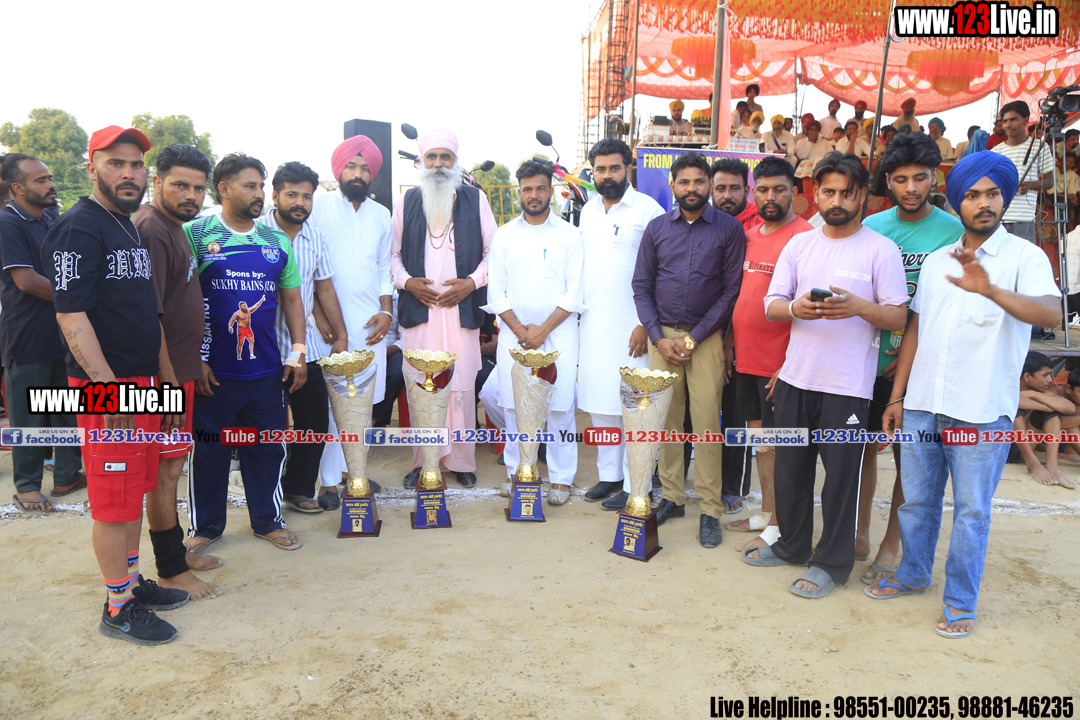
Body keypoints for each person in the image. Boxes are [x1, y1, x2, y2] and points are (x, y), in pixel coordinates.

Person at [866, 151, 1062, 639]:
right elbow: (915, 331)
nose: (984, 203)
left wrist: (991, 290)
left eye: (993, 194)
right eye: (972, 195)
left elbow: (1050, 314)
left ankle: (959, 601)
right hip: (922, 405)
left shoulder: (1025, 257)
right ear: (957, 202)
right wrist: (897, 398)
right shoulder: (938, 261)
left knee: (972, 512)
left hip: (981, 410)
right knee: (916, 501)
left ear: (1004, 199)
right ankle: (913, 573)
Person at [43, 125, 188, 644]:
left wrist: (164, 384)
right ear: (91, 168)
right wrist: (109, 390)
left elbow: (145, 314)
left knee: (133, 491)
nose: (128, 173)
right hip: (107, 387)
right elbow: (70, 315)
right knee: (112, 502)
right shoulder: (79, 227)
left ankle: (129, 583)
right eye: (115, 163)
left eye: (135, 164)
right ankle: (118, 608)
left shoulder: (124, 223)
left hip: (142, 382)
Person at [744, 152, 908, 599]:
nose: (837, 201)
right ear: (815, 193)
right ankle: (792, 546)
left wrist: (859, 307)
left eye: (847, 193)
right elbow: (772, 304)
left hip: (847, 388)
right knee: (791, 473)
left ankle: (831, 564)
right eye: (829, 192)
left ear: (862, 195)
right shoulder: (800, 245)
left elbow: (897, 317)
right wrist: (797, 308)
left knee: (840, 481)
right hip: (796, 380)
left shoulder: (880, 249)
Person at [186, 153, 308, 553]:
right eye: (249, 186)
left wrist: (298, 351)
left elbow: (292, 300)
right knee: (209, 451)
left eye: (261, 186)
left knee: (267, 448)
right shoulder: (195, 234)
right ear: (224, 189)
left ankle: (268, 521)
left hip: (266, 372)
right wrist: (194, 359)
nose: (259, 194)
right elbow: (178, 299)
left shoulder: (276, 241)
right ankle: (205, 527)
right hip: (211, 374)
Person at [857, 133, 964, 585]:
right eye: (901, 179)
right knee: (861, 450)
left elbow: (951, 305)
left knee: (909, 458)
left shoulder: (954, 232)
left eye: (920, 178)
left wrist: (906, 351)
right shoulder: (872, 227)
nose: (911, 188)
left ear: (934, 177)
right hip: (867, 361)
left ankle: (891, 544)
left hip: (920, 365)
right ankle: (859, 534)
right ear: (888, 181)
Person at [633, 151, 744, 548]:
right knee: (666, 421)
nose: (692, 188)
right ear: (673, 186)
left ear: (709, 185)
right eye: (684, 182)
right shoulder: (657, 228)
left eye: (699, 181)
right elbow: (641, 286)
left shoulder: (728, 229)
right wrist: (657, 337)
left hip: (706, 339)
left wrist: (694, 338)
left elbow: (731, 290)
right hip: (662, 339)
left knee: (706, 425)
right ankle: (673, 497)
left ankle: (710, 509)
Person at [132, 144, 222, 599]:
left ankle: (176, 555)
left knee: (171, 468)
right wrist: (169, 382)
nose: (191, 196)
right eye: (180, 185)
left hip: (180, 371)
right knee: (165, 472)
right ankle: (170, 568)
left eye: (198, 188)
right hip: (163, 379)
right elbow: (150, 316)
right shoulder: (151, 228)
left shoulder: (175, 227)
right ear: (157, 182)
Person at [391, 128, 497, 489]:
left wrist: (471, 283)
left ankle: (461, 461)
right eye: (432, 157)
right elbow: (391, 256)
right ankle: (425, 461)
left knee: (461, 387)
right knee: (422, 386)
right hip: (420, 314)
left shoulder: (475, 199)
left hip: (460, 312)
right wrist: (408, 282)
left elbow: (494, 253)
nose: (438, 164)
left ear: (455, 162)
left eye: (445, 157)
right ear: (422, 162)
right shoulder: (406, 202)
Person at [722, 157, 813, 552]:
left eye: (779, 189)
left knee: (780, 448)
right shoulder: (749, 236)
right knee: (760, 443)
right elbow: (741, 298)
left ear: (795, 192)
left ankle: (778, 526)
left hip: (781, 366)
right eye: (763, 190)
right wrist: (729, 342)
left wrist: (789, 365)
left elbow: (809, 313)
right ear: (753, 192)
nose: (770, 196)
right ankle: (766, 513)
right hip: (746, 360)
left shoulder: (807, 238)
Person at [485, 161, 583, 504]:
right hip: (514, 336)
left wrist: (542, 330)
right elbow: (496, 292)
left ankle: (561, 480)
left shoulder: (569, 235)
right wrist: (519, 329)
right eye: (527, 189)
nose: (534, 195)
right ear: (519, 192)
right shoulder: (505, 235)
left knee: (560, 408)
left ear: (551, 191)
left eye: (541, 188)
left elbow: (575, 292)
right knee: (514, 407)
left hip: (559, 334)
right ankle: (518, 473)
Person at [577, 139, 665, 508]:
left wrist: (647, 323)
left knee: (634, 406)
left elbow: (663, 270)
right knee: (601, 404)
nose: (607, 175)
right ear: (593, 172)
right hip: (595, 324)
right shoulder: (587, 211)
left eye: (614, 168)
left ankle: (635, 482)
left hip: (633, 325)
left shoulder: (649, 210)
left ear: (628, 169)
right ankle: (610, 476)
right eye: (600, 169)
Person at [258, 162, 349, 513]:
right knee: (267, 429)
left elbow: (324, 288)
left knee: (314, 424)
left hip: (306, 350)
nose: (300, 202)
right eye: (292, 194)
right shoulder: (255, 233)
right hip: (263, 351)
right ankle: (266, 499)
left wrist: (341, 336)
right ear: (275, 195)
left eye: (307, 196)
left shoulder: (315, 237)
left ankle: (297, 489)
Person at [309, 135, 393, 500]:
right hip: (326, 328)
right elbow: (304, 267)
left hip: (370, 327)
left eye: (364, 168)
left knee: (363, 404)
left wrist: (387, 311)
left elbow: (383, 268)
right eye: (351, 166)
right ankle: (328, 482)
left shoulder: (382, 214)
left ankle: (352, 473)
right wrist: (318, 315)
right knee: (331, 406)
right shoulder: (318, 206)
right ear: (338, 170)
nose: (357, 174)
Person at [0, 154, 85, 512]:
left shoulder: (50, 218)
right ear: (17, 188)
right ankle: (27, 486)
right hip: (27, 338)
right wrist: (80, 299)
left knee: (65, 410)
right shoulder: (7, 222)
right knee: (28, 416)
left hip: (63, 334)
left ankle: (66, 475)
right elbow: (27, 281)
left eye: (49, 178)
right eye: (40, 180)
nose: (50, 185)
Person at [993, 101, 1053, 246]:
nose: (1008, 125)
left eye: (1013, 119)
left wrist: (1029, 185)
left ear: (1026, 120)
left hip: (1025, 219)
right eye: (1005, 121)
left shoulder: (1040, 146)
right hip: (999, 219)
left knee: (1023, 258)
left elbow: (1049, 182)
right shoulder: (995, 151)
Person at [1014, 351, 1077, 488]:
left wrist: (1033, 395)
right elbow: (1012, 401)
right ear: (1027, 376)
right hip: (1004, 450)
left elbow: (1070, 408)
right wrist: (1044, 406)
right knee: (1014, 410)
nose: (1050, 380)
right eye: (1045, 375)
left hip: (1024, 449)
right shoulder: (1008, 387)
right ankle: (1033, 465)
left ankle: (1052, 466)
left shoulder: (1038, 391)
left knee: (1053, 410)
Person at [711, 158, 762, 232]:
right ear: (711, 192)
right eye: (721, 189)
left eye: (734, 188)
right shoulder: (701, 223)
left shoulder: (762, 221)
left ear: (746, 191)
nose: (727, 196)